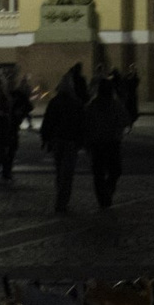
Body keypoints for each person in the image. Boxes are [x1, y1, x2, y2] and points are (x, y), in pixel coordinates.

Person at [41, 65, 89, 212]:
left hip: (57, 141)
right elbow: (82, 125)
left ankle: (60, 198)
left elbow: (47, 122)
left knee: (59, 171)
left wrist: (46, 139)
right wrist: (83, 142)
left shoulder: (54, 102)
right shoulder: (76, 104)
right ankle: (62, 202)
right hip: (70, 142)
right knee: (67, 173)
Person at [85, 71, 130, 209]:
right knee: (114, 170)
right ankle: (106, 193)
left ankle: (103, 197)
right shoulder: (114, 104)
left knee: (100, 172)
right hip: (111, 142)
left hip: (99, 143)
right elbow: (125, 120)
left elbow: (86, 123)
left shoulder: (93, 105)